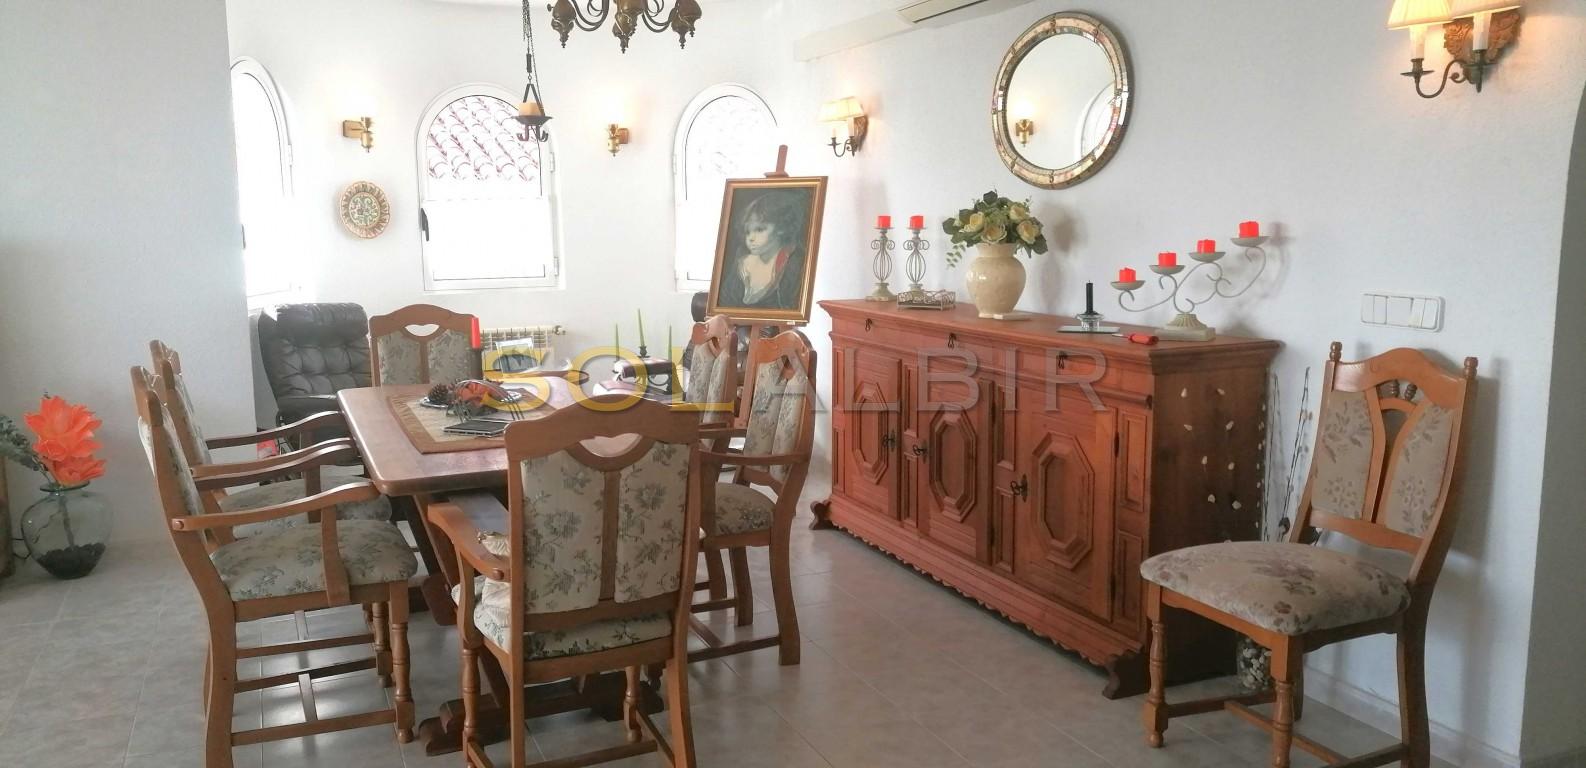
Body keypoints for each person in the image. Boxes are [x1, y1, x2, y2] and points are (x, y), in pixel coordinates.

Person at [717, 191, 808, 311]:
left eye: (759, 229)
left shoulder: (795, 264)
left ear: (781, 228)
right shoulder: (743, 264)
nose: (750, 238)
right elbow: (725, 303)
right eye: (747, 231)